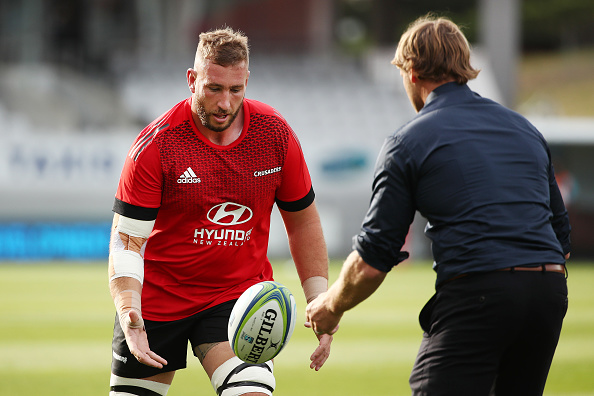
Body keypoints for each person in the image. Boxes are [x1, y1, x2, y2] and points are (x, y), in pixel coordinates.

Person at [305, 14, 570, 396]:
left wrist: (331, 305)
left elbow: (371, 261)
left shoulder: (409, 141)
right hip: (548, 292)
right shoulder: (524, 128)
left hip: (480, 291)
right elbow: (560, 233)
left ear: (411, 73)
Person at [108, 27, 332, 396]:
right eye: (214, 88)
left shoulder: (274, 135)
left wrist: (319, 301)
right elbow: (127, 241)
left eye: (236, 90)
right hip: (158, 301)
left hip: (236, 298)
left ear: (246, 82)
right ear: (192, 80)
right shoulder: (157, 145)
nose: (225, 103)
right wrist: (129, 309)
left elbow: (303, 222)